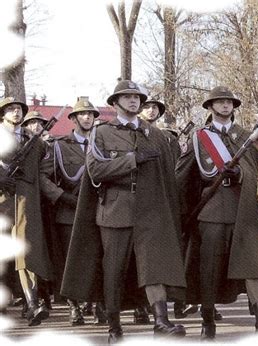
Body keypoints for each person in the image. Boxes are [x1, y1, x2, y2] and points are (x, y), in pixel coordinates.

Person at [60, 80, 187, 343]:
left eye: (137, 97)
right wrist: (130, 160)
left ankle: (161, 321)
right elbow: (95, 170)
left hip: (151, 211)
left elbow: (169, 178)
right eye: (127, 97)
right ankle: (114, 327)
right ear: (115, 103)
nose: (133, 101)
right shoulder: (102, 133)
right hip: (115, 211)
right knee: (114, 270)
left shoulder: (156, 135)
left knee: (155, 267)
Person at [176, 86, 258, 339]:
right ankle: (208, 319)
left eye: (229, 102)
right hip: (213, 209)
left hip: (246, 209)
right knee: (209, 268)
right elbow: (183, 176)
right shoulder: (200, 138)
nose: (225, 106)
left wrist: (241, 173)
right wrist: (184, 213)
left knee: (254, 264)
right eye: (219, 102)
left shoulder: (247, 136)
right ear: (210, 107)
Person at [40, 97, 106, 326]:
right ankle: (74, 306)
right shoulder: (59, 145)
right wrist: (62, 197)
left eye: (91, 114)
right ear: (73, 119)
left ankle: (100, 305)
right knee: (71, 261)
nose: (88, 118)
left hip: (99, 210)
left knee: (100, 259)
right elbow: (43, 177)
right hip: (69, 212)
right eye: (83, 114)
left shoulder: (103, 143)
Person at [0, 97, 53, 326]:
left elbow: (47, 164)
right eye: (10, 109)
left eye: (19, 109)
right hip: (2, 201)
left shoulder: (34, 140)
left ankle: (32, 304)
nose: (16, 112)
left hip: (26, 202)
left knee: (25, 252)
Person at [139, 96, 181, 165]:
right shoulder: (132, 134)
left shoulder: (168, 137)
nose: (151, 110)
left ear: (159, 112)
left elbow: (176, 164)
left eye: (154, 107)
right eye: (146, 107)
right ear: (139, 111)